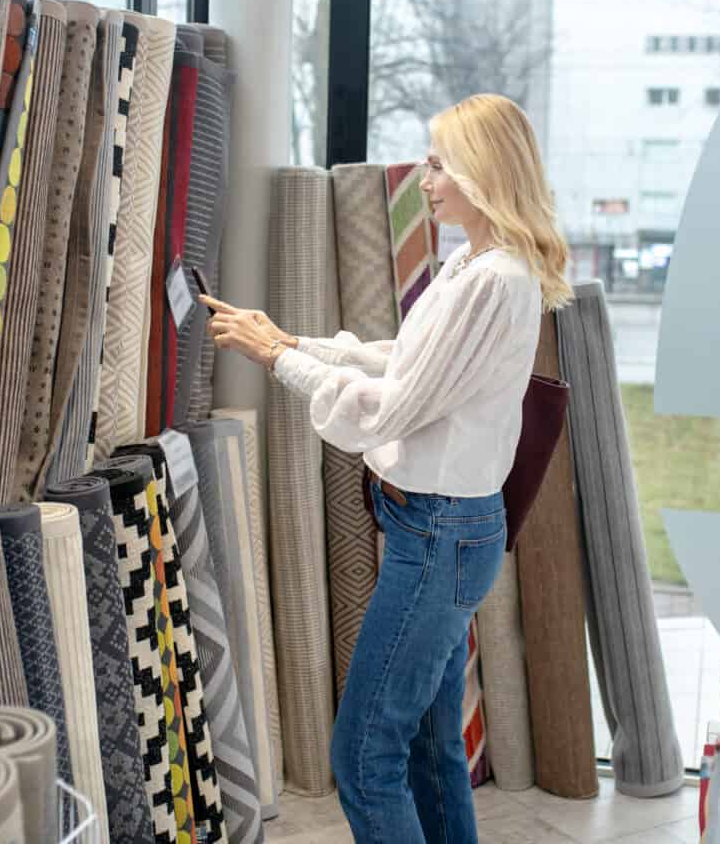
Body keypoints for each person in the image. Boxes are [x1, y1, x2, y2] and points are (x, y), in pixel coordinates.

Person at [203, 93, 573, 843]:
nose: (426, 180)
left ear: (481, 172)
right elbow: (409, 365)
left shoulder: (492, 281)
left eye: (439, 165)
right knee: (431, 749)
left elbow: (394, 407)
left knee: (365, 752)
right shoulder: (477, 267)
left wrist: (278, 359)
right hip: (438, 531)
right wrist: (296, 341)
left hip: (439, 537)